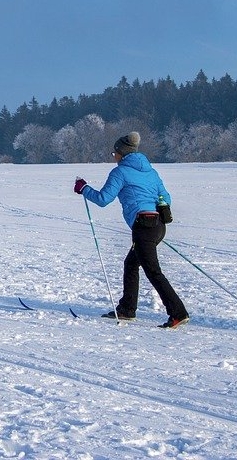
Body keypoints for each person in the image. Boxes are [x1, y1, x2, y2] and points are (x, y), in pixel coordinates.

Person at [73, 131, 189, 328]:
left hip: (143, 226)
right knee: (131, 264)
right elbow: (166, 199)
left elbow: (103, 199)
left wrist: (83, 188)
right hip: (157, 226)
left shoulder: (120, 172)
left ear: (122, 153)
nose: (114, 157)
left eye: (114, 153)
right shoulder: (151, 172)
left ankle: (178, 313)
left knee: (153, 271)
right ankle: (127, 309)